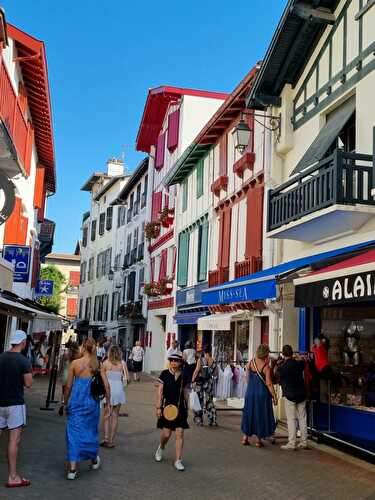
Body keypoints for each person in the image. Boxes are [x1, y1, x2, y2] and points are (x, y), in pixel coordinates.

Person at [64, 337, 110, 480]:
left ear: (83, 347)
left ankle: (72, 469)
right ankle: (94, 458)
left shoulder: (75, 364)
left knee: (73, 432)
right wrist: (108, 403)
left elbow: (68, 386)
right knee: (90, 431)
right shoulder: (98, 364)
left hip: (77, 401)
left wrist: (65, 402)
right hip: (92, 402)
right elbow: (106, 385)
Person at [0, 330, 32, 488]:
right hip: (15, 404)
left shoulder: (1, 357)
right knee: (14, 441)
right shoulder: (23, 361)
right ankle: (13, 477)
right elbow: (28, 383)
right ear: (23, 343)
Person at [155, 353, 189, 471]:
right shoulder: (165, 374)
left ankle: (178, 460)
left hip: (180, 408)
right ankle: (161, 446)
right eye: (172, 360)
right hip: (168, 408)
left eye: (176, 360)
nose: (173, 362)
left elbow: (185, 392)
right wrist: (158, 407)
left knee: (180, 433)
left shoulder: (184, 375)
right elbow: (160, 391)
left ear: (180, 362)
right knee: (166, 434)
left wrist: (187, 406)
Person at [241, 344, 277, 448]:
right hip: (262, 395)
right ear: (266, 354)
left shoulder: (250, 363)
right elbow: (269, 384)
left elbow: (246, 379)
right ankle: (258, 440)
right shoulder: (266, 368)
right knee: (260, 415)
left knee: (248, 414)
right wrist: (274, 396)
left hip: (250, 393)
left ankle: (245, 438)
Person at [276, 345, 308, 450]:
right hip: (301, 394)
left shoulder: (282, 367)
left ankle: (292, 443)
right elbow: (303, 361)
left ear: (282, 354)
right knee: (302, 418)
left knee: (291, 419)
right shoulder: (299, 364)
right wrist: (297, 357)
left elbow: (278, 378)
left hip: (290, 395)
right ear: (291, 353)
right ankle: (304, 442)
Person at [101, 345, 130, 447]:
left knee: (106, 415)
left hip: (107, 389)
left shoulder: (105, 363)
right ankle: (112, 440)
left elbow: (101, 378)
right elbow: (128, 379)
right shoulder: (122, 363)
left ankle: (105, 438)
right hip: (118, 389)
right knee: (115, 416)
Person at [192, 345, 218, 426]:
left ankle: (199, 421)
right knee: (209, 401)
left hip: (200, 382)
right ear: (210, 351)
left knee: (199, 400)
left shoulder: (201, 360)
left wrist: (192, 380)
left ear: (203, 351)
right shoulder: (213, 360)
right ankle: (212, 420)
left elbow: (196, 371)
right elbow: (215, 373)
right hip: (209, 382)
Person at [59, 342, 81, 415]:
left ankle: (63, 405)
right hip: (73, 376)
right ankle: (69, 407)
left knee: (64, 392)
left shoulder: (65, 355)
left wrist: (60, 375)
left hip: (65, 375)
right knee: (72, 393)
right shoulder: (78, 356)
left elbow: (61, 366)